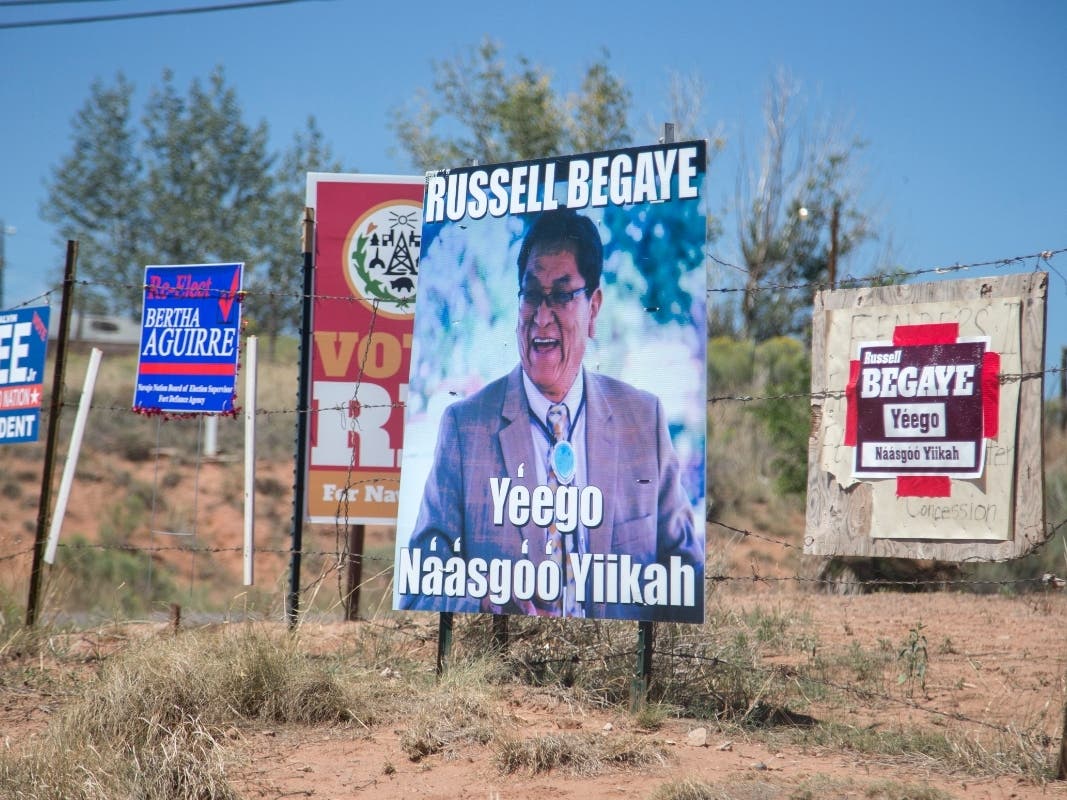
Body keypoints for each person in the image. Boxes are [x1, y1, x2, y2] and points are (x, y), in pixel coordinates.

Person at [399, 208, 703, 622]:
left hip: (614, 671)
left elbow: (686, 573)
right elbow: (420, 588)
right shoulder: (465, 427)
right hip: (504, 672)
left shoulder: (643, 420)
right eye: (531, 294)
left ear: (593, 309)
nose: (542, 317)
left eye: (561, 295)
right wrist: (479, 607)